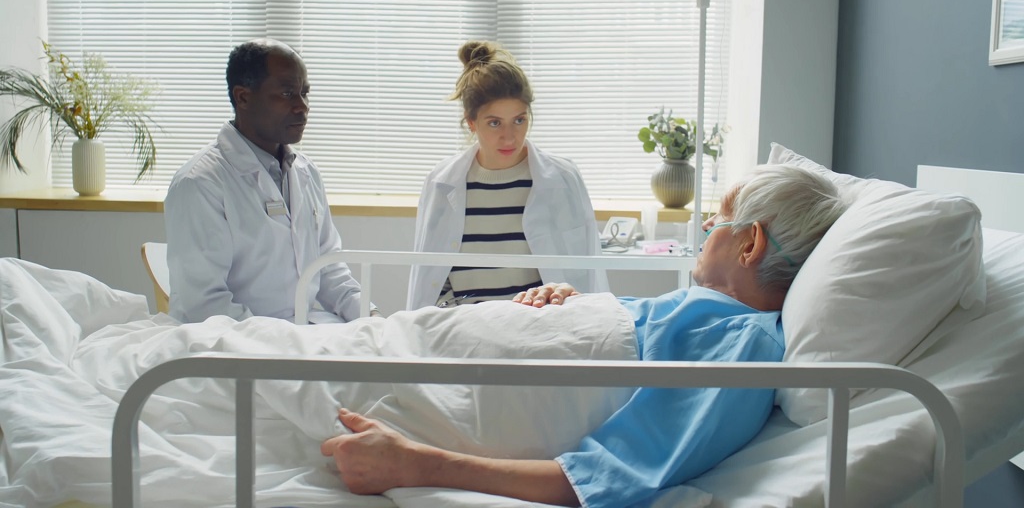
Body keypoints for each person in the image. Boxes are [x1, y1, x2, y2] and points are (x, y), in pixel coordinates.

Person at [322, 164, 848, 507]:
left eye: (721, 217)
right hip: (431, 344)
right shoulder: (710, 311)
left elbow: (601, 477)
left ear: (750, 243)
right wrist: (577, 305)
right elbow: (639, 336)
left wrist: (414, 464)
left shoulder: (745, 348)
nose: (708, 224)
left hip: (447, 387)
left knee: (266, 378)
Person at [164, 38, 373, 324]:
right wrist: (283, 343)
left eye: (304, 93)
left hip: (303, 336)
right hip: (238, 347)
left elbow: (329, 270)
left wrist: (370, 316)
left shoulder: (306, 172)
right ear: (243, 97)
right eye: (287, 93)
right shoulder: (200, 183)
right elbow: (203, 305)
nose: (302, 107)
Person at [406, 40, 609, 311]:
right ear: (471, 122)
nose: (509, 136)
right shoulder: (442, 181)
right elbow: (431, 276)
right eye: (494, 123)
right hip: (465, 326)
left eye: (519, 120)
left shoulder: (563, 178)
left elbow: (590, 272)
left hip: (539, 324)